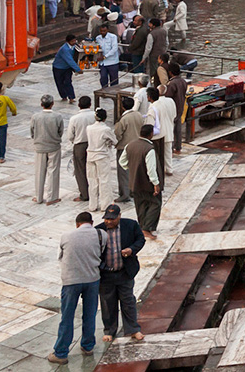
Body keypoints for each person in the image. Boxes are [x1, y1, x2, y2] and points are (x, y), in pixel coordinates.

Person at [49, 211, 102, 364]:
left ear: (77, 224)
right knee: (90, 314)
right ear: (91, 223)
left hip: (71, 281)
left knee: (67, 316)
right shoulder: (100, 235)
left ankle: (61, 353)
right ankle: (88, 346)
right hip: (92, 279)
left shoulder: (66, 236)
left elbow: (61, 257)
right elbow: (102, 253)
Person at [96, 204, 145, 343]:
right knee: (107, 303)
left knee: (128, 301)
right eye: (106, 219)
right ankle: (109, 330)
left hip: (125, 272)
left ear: (119, 216)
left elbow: (140, 240)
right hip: (106, 274)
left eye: (112, 219)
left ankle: (133, 329)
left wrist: (131, 249)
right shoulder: (98, 230)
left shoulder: (131, 225)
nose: (108, 222)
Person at [120, 124, 163, 239]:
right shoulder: (149, 149)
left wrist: (133, 167)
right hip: (147, 183)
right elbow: (151, 169)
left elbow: (122, 162)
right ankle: (146, 228)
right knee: (155, 204)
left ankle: (142, 226)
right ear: (150, 134)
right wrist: (156, 184)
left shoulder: (130, 145)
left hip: (135, 182)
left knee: (140, 205)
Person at [30, 95, 64, 205]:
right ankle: (52, 197)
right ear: (52, 104)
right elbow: (61, 131)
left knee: (39, 172)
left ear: (41, 104)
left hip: (40, 146)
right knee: (53, 171)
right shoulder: (57, 116)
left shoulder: (35, 117)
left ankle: (38, 196)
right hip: (53, 146)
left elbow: (32, 131)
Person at [112, 98, 144, 204]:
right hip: (137, 146)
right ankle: (133, 191)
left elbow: (118, 134)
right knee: (134, 170)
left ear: (122, 107)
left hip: (125, 147)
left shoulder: (123, 119)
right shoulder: (139, 115)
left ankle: (124, 194)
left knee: (123, 172)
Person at [85, 109, 118, 209]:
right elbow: (115, 141)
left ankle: (92, 205)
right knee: (104, 180)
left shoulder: (89, 128)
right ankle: (105, 205)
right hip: (102, 156)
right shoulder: (106, 129)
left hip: (90, 155)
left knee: (92, 181)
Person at [66, 97, 95, 203]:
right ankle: (94, 191)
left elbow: (70, 135)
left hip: (80, 145)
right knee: (93, 169)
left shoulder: (74, 118)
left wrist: (75, 140)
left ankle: (84, 194)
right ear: (90, 104)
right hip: (93, 144)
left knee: (80, 170)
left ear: (79, 105)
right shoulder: (94, 115)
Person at [145, 86, 177, 168]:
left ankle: (159, 171)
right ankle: (169, 169)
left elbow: (150, 124)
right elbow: (174, 115)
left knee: (157, 155)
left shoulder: (153, 107)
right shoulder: (169, 101)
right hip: (168, 129)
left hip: (157, 135)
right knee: (168, 152)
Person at [52, 34, 81, 103]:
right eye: (72, 41)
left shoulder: (75, 46)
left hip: (67, 68)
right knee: (60, 83)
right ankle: (64, 96)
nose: (74, 42)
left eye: (75, 40)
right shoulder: (64, 49)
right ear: (68, 42)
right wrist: (78, 69)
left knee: (68, 82)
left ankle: (71, 97)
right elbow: (69, 60)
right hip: (58, 68)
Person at [95, 23, 120, 89]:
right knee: (103, 77)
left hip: (112, 62)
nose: (102, 32)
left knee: (114, 79)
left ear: (107, 30)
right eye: (101, 31)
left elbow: (114, 48)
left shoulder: (113, 37)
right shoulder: (98, 38)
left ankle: (114, 91)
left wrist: (105, 56)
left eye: (104, 31)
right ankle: (104, 90)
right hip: (102, 63)